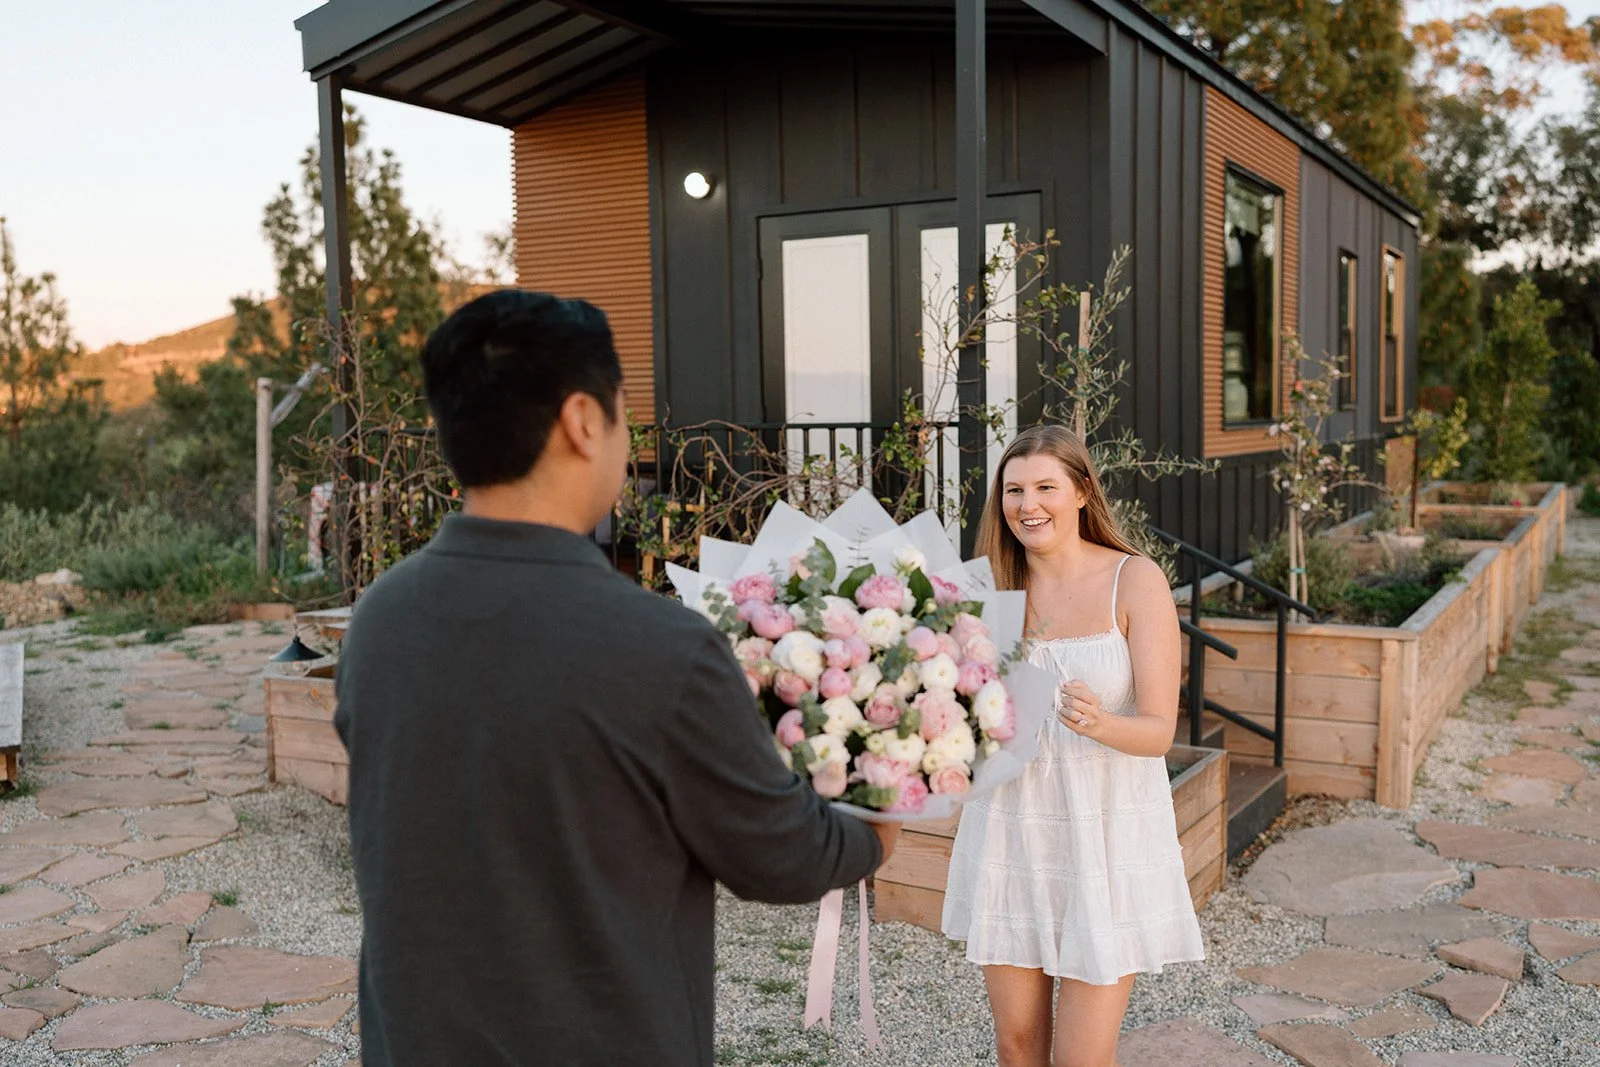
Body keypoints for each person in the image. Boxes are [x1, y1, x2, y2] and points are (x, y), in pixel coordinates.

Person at [334, 289, 898, 1066]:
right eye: (623, 409)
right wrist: (877, 826)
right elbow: (782, 854)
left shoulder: (379, 622)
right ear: (580, 421)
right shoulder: (660, 647)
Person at [941, 425, 1204, 1067]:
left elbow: (1159, 732)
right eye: (1014, 490)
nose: (1028, 504)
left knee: (1081, 1059)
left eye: (1045, 488)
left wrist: (1099, 723)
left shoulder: (1134, 581)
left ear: (1082, 492)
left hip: (1105, 839)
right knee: (1018, 1045)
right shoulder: (987, 593)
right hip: (1012, 831)